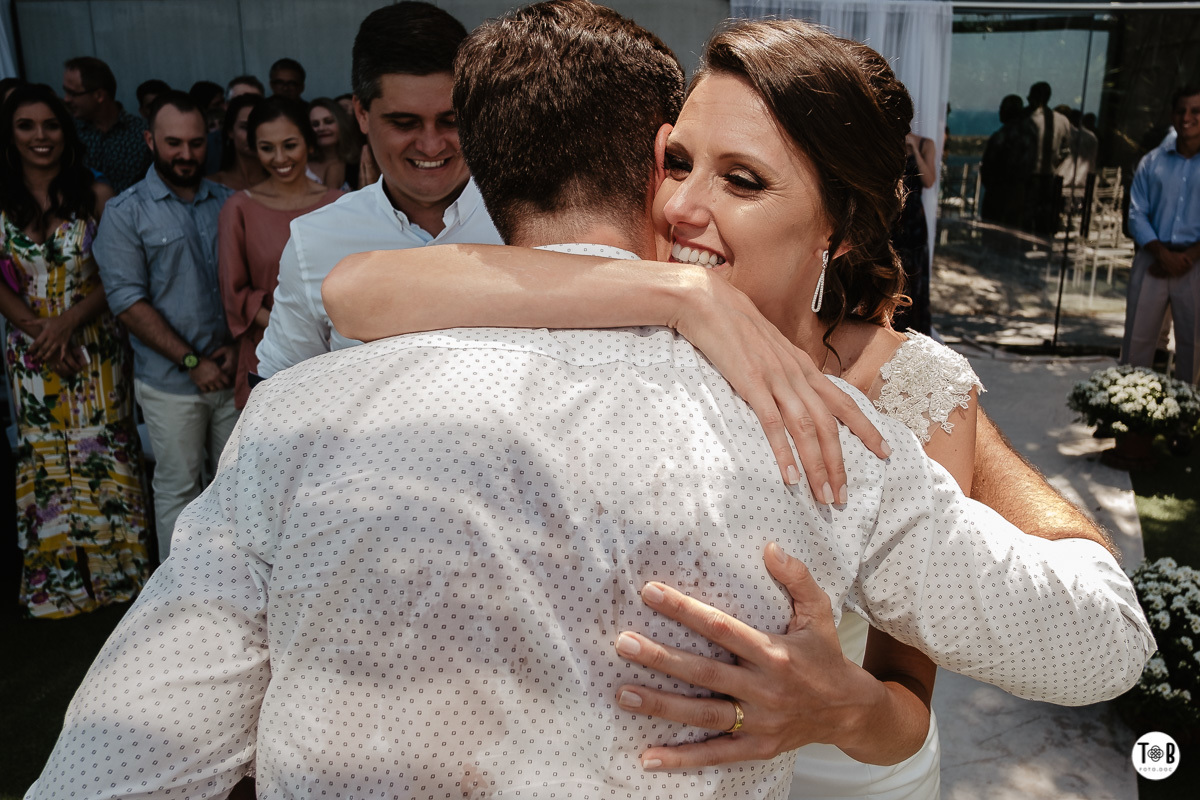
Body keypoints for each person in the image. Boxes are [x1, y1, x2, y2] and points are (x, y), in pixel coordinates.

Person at [27, 6, 1152, 799]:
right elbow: (364, 283)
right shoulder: (809, 433)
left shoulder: (853, 412)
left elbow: (122, 764)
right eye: (679, 166)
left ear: (841, 229)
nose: (690, 207)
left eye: (741, 178)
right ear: (646, 162)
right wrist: (669, 296)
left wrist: (1003, 488)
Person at [254, 1, 500, 379]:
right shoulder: (316, 241)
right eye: (405, 123)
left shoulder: (531, 221)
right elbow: (275, 389)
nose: (432, 145)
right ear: (362, 114)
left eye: (451, 121)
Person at [0, 83, 151, 618]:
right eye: (26, 126)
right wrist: (42, 334)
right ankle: (57, 585)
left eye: (51, 125)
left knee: (102, 449)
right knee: (46, 456)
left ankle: (120, 580)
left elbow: (119, 278)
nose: (41, 137)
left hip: (93, 344)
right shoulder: (1, 199)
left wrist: (65, 325)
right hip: (33, 351)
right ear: (9, 134)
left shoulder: (98, 195)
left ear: (67, 132)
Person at [91, 90, 237, 560]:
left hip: (229, 372)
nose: (186, 154)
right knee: (178, 488)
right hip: (172, 381)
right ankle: (179, 600)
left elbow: (245, 284)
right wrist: (192, 362)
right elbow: (127, 303)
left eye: (195, 143)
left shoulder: (229, 202)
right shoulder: (125, 211)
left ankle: (231, 589)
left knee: (233, 486)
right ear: (151, 140)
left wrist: (234, 349)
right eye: (174, 143)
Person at [219, 97, 341, 408]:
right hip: (269, 356)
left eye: (289, 145)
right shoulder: (238, 208)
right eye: (266, 147)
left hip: (338, 355)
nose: (279, 158)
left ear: (309, 143)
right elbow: (235, 297)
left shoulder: (340, 203)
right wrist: (296, 329)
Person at [1121, 85, 1200, 384]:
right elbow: (1136, 213)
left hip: (1195, 264)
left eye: (1196, 111)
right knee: (1137, 344)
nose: (1187, 117)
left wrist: (1185, 258)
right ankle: (1126, 416)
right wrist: (1163, 255)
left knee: (1194, 347)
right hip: (1152, 259)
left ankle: (1187, 422)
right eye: (1181, 110)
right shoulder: (1152, 162)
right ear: (1172, 115)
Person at [62, 56, 151, 193]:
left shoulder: (141, 133)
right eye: (66, 91)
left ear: (99, 95)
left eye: (73, 93)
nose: (66, 99)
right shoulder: (67, 132)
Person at [890, 127, 937, 335]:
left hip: (915, 219)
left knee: (915, 275)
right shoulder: (890, 141)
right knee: (892, 270)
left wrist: (914, 150)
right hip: (892, 217)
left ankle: (914, 330)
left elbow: (929, 181)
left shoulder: (925, 144)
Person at [1022, 81, 1073, 235]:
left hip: (1029, 176)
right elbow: (1067, 149)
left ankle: (1025, 249)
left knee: (1026, 218)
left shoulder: (1027, 118)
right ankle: (1043, 250)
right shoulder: (1062, 120)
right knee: (1044, 219)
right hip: (1049, 176)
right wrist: (1055, 162)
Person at [980, 94, 1034, 227]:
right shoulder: (1030, 136)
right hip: (1019, 195)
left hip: (997, 195)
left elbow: (987, 167)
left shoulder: (1001, 136)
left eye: (1002, 108)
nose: (999, 111)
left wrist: (993, 187)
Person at [207, 93, 268, 191]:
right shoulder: (211, 185)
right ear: (230, 131)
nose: (253, 135)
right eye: (245, 127)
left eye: (260, 127)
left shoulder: (282, 183)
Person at [308, 96, 361, 190]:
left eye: (328, 121)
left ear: (341, 123)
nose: (321, 128)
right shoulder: (302, 164)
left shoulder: (358, 164)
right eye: (315, 124)